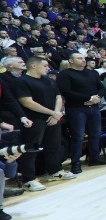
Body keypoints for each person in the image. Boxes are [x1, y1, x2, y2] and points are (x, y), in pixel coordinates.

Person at [15, 56, 75, 191]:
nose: (48, 68)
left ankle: (54, 171)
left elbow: (58, 97)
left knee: (53, 146)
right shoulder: (22, 81)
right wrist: (52, 113)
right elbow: (27, 102)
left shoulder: (48, 80)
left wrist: (56, 112)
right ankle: (28, 179)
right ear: (34, 66)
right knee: (31, 149)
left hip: (53, 118)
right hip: (34, 120)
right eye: (45, 65)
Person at [56, 52, 106, 174]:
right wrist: (88, 98)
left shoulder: (92, 73)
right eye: (79, 58)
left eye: (83, 58)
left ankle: (94, 158)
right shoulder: (65, 74)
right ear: (71, 61)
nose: (83, 60)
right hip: (76, 108)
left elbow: (102, 88)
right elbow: (65, 91)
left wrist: (97, 97)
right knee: (78, 136)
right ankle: (75, 162)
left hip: (94, 107)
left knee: (96, 134)